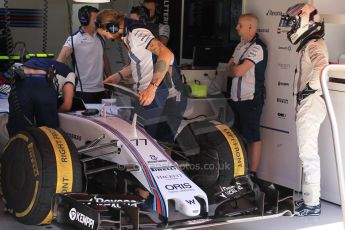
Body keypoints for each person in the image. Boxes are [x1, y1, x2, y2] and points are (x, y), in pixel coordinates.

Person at [95, 9, 187, 143]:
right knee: (157, 143)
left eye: (104, 34)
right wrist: (118, 76)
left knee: (146, 142)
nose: (107, 38)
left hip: (159, 94)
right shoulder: (128, 35)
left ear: (111, 27)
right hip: (153, 95)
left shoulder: (136, 33)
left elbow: (166, 54)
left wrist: (152, 88)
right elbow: (140, 60)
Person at [279, 3, 328, 216]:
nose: (292, 28)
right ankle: (310, 201)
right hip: (310, 101)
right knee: (306, 153)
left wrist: (309, 90)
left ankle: (312, 203)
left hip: (312, 102)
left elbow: (323, 66)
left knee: (308, 154)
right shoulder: (310, 43)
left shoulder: (315, 43)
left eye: (295, 23)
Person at [227, 14, 267, 179]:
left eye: (240, 25)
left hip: (250, 99)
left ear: (251, 28)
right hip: (236, 99)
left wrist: (234, 68)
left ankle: (253, 174)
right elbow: (228, 70)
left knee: (252, 136)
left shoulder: (258, 47)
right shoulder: (240, 46)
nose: (236, 28)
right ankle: (240, 172)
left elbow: (236, 71)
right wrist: (234, 68)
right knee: (236, 137)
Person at [7, 58, 76, 137]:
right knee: (49, 133)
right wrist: (55, 112)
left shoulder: (48, 63)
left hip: (20, 78)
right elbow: (67, 105)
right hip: (42, 79)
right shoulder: (70, 74)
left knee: (19, 130)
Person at [57, 5, 112, 104]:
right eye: (95, 19)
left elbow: (104, 58)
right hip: (83, 91)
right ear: (84, 20)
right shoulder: (74, 39)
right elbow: (59, 61)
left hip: (102, 90)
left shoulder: (101, 37)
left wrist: (110, 78)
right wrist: (64, 84)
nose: (98, 22)